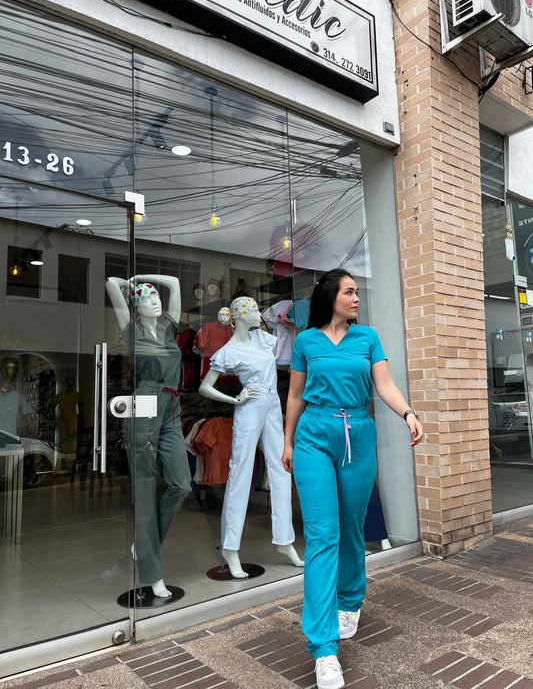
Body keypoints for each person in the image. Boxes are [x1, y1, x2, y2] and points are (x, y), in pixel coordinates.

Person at [282, 269, 423, 689]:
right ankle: (324, 649)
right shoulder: (306, 342)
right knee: (322, 534)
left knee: (351, 525)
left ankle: (350, 599)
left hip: (358, 435)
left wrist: (409, 413)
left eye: (357, 291)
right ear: (331, 297)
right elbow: (295, 395)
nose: (357, 297)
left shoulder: (368, 338)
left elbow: (385, 384)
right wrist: (288, 442)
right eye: (349, 292)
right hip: (314, 436)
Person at [199, 296, 303, 579]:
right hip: (249, 407)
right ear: (240, 316)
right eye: (255, 310)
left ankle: (285, 540)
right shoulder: (229, 351)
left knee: (281, 468)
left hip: (272, 406)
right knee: (240, 473)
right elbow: (205, 387)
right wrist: (235, 399)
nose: (260, 314)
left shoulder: (262, 339)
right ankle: (230, 547)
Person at [106, 275, 191, 598]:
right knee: (145, 491)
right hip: (144, 402)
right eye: (146, 299)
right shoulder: (132, 329)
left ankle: (144, 544)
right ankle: (153, 576)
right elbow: (110, 283)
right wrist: (129, 286)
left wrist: (143, 279)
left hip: (172, 405)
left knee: (181, 484)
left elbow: (175, 284)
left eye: (156, 297)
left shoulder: (168, 327)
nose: (155, 301)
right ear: (136, 308)